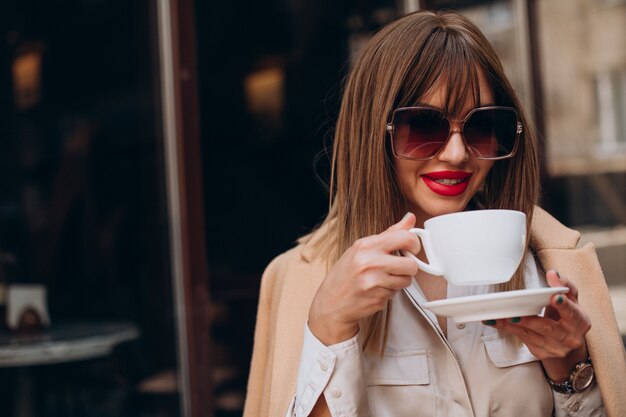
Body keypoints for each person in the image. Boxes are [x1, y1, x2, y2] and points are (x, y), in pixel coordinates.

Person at [242, 10, 626, 417]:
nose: (457, 154)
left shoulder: (552, 268)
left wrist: (570, 368)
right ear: (374, 133)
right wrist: (328, 326)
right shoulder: (300, 281)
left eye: (482, 126)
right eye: (423, 126)